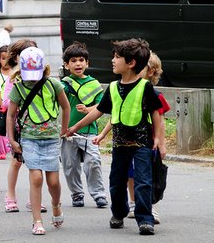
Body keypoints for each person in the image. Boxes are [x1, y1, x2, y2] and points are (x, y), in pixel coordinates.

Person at [66, 38, 163, 236]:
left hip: (142, 144)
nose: (113, 60)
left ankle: (145, 219)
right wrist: (75, 126)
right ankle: (118, 213)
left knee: (143, 182)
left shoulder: (145, 88)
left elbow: (156, 115)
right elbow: (99, 111)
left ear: (131, 63)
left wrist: (159, 141)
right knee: (116, 181)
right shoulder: (112, 88)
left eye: (117, 57)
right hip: (119, 145)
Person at [94, 51, 170, 224]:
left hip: (146, 143)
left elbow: (160, 118)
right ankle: (130, 205)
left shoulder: (151, 92)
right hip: (121, 143)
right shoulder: (117, 87)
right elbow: (116, 116)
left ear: (150, 71)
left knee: (145, 179)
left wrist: (161, 142)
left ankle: (148, 211)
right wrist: (102, 134)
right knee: (124, 177)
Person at [7, 46, 70, 235]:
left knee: (53, 182)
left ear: (43, 68)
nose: (32, 77)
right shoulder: (18, 88)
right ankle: (37, 220)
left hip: (51, 138)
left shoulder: (53, 85)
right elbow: (10, 115)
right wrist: (12, 140)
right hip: (29, 139)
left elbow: (65, 107)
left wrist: (64, 129)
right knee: (36, 178)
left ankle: (55, 204)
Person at [1, 39, 49, 213]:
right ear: (16, 58)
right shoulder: (14, 79)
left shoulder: (42, 77)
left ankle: (34, 198)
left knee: (37, 164)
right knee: (16, 161)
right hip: (20, 126)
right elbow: (6, 103)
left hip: (38, 127)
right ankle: (10, 196)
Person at [60, 42, 108, 208]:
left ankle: (99, 194)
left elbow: (101, 106)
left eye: (81, 60)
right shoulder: (64, 84)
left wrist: (88, 109)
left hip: (89, 132)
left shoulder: (94, 84)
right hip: (68, 133)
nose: (78, 64)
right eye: (73, 61)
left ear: (87, 63)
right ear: (66, 65)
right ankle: (77, 194)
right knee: (70, 165)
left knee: (93, 162)